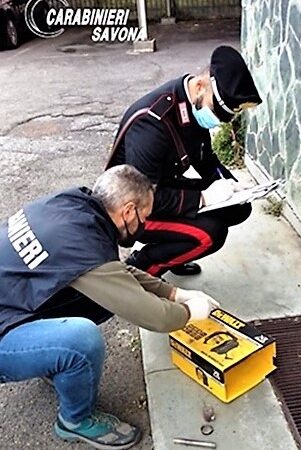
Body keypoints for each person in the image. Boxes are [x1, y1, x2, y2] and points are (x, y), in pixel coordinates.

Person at [0, 165, 220, 450]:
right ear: (129, 211)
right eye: (145, 216)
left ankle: (48, 358)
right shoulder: (82, 246)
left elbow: (117, 272)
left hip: (12, 298)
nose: (145, 223)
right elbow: (156, 317)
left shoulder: (74, 204)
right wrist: (191, 313)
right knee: (80, 340)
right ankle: (75, 420)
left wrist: (175, 293)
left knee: (97, 299)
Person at [106, 45, 262, 277]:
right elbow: (143, 198)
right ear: (200, 85)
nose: (217, 122)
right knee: (210, 234)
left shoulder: (191, 103)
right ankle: (144, 268)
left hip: (161, 188)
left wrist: (233, 185)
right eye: (216, 113)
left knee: (238, 208)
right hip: (131, 210)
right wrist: (202, 198)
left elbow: (206, 159)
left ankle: (173, 252)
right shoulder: (153, 122)